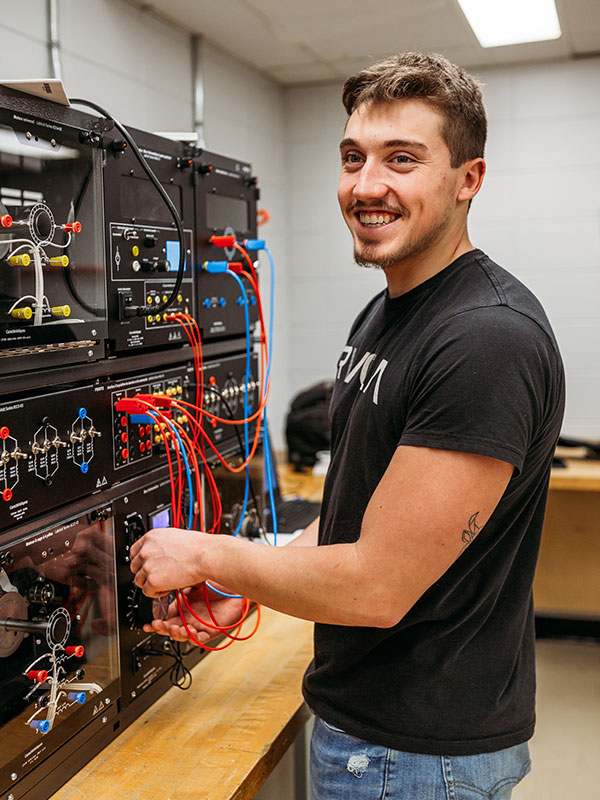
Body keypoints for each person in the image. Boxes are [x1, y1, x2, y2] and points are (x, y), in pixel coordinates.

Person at [129, 52, 565, 799]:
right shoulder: (389, 309)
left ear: (468, 180)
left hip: (417, 754)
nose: (367, 186)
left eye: (403, 159)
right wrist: (253, 588)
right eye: (353, 158)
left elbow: (375, 588)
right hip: (373, 729)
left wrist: (208, 554)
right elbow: (353, 512)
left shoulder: (484, 337)